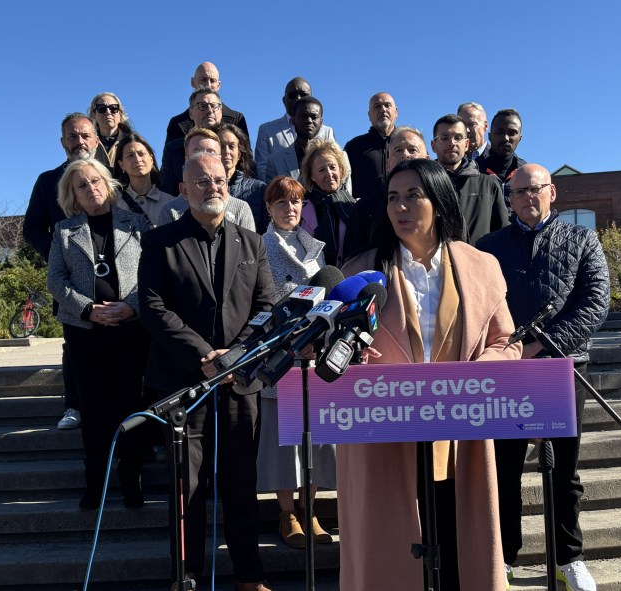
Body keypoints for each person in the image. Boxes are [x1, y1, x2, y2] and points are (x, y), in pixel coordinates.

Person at [339, 158, 520, 591]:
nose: (400, 207)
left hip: (459, 439)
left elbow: (507, 342)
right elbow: (338, 354)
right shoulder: (359, 273)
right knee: (392, 561)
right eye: (392, 198)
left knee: (458, 556)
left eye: (413, 196)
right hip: (384, 438)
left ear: (438, 202)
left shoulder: (481, 267)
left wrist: (476, 376)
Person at [138, 152, 276, 591]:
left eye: (219, 180)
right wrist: (204, 355)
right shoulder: (159, 242)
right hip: (185, 387)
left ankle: (249, 577)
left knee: (241, 487)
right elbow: (154, 309)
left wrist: (235, 357)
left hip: (240, 386)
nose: (212, 187)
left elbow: (268, 307)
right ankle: (186, 576)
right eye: (201, 182)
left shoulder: (252, 243)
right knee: (187, 490)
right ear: (183, 190)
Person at [476, 164, 610, 591]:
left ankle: (567, 559)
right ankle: (504, 558)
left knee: (563, 470)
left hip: (563, 367)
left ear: (553, 192)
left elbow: (595, 302)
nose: (527, 197)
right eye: (518, 192)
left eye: (535, 189)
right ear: (508, 198)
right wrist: (507, 351)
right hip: (508, 371)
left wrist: (541, 347)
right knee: (504, 468)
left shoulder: (582, 238)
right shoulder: (489, 247)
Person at [46, 158, 149, 511]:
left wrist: (131, 306)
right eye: (81, 185)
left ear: (107, 183)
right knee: (93, 410)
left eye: (95, 181)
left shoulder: (136, 224)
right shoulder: (63, 230)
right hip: (86, 332)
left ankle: (132, 477)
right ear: (72, 194)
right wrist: (89, 309)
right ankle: (97, 482)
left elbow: (152, 274)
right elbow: (55, 281)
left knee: (132, 405)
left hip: (129, 329)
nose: (91, 189)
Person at [254, 176, 334, 550]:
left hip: (315, 355)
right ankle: (287, 513)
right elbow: (264, 304)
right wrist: (291, 340)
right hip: (282, 354)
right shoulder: (260, 245)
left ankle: (311, 510)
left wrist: (319, 340)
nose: (290, 209)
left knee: (313, 439)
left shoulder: (315, 249)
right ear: (268, 208)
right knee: (285, 441)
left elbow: (331, 299)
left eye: (297, 202)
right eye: (282, 203)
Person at [22, 112, 99, 432]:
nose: (79, 141)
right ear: (62, 143)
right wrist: (58, 255)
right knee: (76, 346)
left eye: (84, 135)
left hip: (116, 280)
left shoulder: (112, 175)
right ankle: (74, 405)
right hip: (71, 279)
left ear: (95, 139)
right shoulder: (47, 181)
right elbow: (32, 229)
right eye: (72, 137)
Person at [345, 126, 427, 257]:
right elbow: (352, 260)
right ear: (388, 165)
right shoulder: (364, 210)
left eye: (412, 150)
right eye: (398, 150)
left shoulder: (441, 201)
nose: (405, 155)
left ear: (426, 160)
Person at [156, 128, 255, 230]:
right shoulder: (170, 211)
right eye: (197, 152)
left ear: (220, 158)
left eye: (211, 153)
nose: (204, 158)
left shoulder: (240, 209)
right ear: (186, 159)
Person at [431, 114, 509, 244]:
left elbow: (503, 235)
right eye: (444, 138)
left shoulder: (489, 185)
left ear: (466, 144)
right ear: (433, 145)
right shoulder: (424, 185)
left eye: (458, 137)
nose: (452, 143)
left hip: (480, 262)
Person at [263, 97, 351, 195]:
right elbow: (274, 199)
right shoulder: (275, 161)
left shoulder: (341, 157)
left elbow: (346, 196)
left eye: (314, 117)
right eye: (303, 116)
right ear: (292, 121)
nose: (309, 120)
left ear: (321, 123)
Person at [253, 77, 336, 182]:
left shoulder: (326, 131)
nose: (298, 99)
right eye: (292, 95)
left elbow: (336, 166)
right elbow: (262, 171)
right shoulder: (267, 130)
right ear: (284, 100)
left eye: (304, 94)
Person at [164, 61, 248, 151]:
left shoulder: (237, 119)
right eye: (203, 79)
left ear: (218, 85)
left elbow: (246, 159)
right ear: (193, 82)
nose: (208, 85)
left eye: (212, 81)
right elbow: (170, 161)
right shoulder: (177, 123)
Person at [298, 138, 355, 267]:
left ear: (340, 170)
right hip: (313, 279)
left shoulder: (354, 207)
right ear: (312, 176)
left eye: (332, 167)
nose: (329, 174)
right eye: (322, 170)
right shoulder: (301, 209)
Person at [159, 88, 224, 195]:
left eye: (214, 106)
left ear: (220, 112)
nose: (209, 110)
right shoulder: (174, 150)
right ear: (191, 113)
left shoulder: (232, 147)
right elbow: (167, 190)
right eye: (202, 106)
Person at [343, 92, 397, 203]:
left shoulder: (409, 143)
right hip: (367, 217)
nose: (383, 109)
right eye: (377, 106)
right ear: (369, 115)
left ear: (396, 112)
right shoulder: (354, 147)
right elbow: (343, 186)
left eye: (387, 105)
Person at [214, 122, 269, 231]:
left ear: (239, 154)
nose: (227, 152)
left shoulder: (259, 189)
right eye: (221, 146)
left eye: (232, 146)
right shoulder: (204, 188)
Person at [114, 134, 167, 227]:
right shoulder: (114, 204)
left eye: (141, 154)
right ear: (121, 164)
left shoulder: (170, 203)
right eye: (130, 156)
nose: (137, 160)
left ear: (151, 159)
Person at [475, 109, 528, 198]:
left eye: (512, 133)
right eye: (500, 132)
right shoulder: (474, 170)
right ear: (490, 136)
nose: (505, 138)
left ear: (520, 138)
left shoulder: (526, 173)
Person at [88, 92, 133, 168]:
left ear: (120, 114)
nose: (108, 112)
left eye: (113, 108)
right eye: (101, 108)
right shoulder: (87, 144)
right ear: (94, 115)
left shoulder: (133, 141)